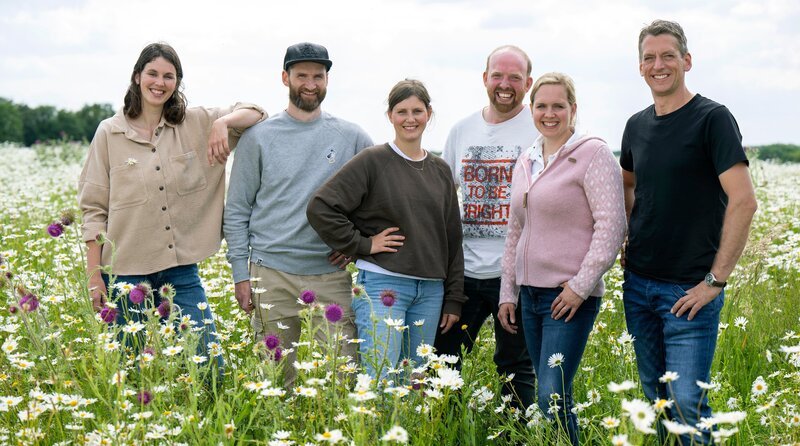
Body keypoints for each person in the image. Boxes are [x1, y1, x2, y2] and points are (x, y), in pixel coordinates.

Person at [79, 42, 265, 369]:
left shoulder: (196, 123)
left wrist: (222, 124)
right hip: (124, 275)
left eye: (169, 76)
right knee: (131, 372)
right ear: (137, 77)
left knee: (211, 366)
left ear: (177, 82)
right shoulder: (109, 133)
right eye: (152, 73)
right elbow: (94, 210)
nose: (159, 82)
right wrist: (95, 276)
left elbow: (256, 112)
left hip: (179, 272)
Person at [620, 20, 757, 444]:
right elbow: (628, 182)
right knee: (656, 400)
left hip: (690, 291)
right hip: (639, 284)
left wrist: (715, 281)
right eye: (649, 58)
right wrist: (630, 236)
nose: (658, 65)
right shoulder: (636, 125)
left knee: (687, 404)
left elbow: (744, 201)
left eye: (667, 56)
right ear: (640, 66)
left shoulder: (712, 119)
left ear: (686, 61)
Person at [224, 42, 373, 386]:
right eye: (301, 75)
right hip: (271, 275)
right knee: (277, 379)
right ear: (285, 78)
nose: (310, 83)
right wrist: (239, 274)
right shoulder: (258, 138)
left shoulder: (352, 137)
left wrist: (356, 243)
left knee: (343, 377)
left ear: (327, 80)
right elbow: (237, 210)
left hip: (330, 276)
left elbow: (381, 194)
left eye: (318, 76)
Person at [498, 72, 626, 444]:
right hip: (530, 297)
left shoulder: (593, 153)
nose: (549, 113)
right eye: (541, 106)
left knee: (550, 398)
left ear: (573, 109)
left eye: (558, 106)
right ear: (532, 110)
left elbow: (612, 225)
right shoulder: (527, 159)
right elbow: (515, 230)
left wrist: (580, 287)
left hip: (566, 297)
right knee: (552, 394)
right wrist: (508, 292)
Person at [307, 79, 464, 379]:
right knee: (381, 381)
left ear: (429, 114)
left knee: (415, 385)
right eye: (402, 111)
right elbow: (321, 207)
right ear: (390, 116)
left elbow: (452, 239)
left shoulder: (440, 170)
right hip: (383, 286)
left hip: (431, 292)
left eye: (417, 111)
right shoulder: (373, 160)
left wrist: (454, 298)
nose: (410, 119)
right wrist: (362, 245)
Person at [433, 45, 537, 407]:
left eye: (514, 77)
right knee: (445, 362)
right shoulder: (462, 130)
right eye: (498, 75)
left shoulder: (539, 129)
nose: (504, 84)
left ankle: (516, 433)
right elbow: (441, 199)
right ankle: (446, 430)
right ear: (485, 79)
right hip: (464, 275)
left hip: (518, 275)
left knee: (516, 366)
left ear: (528, 82)